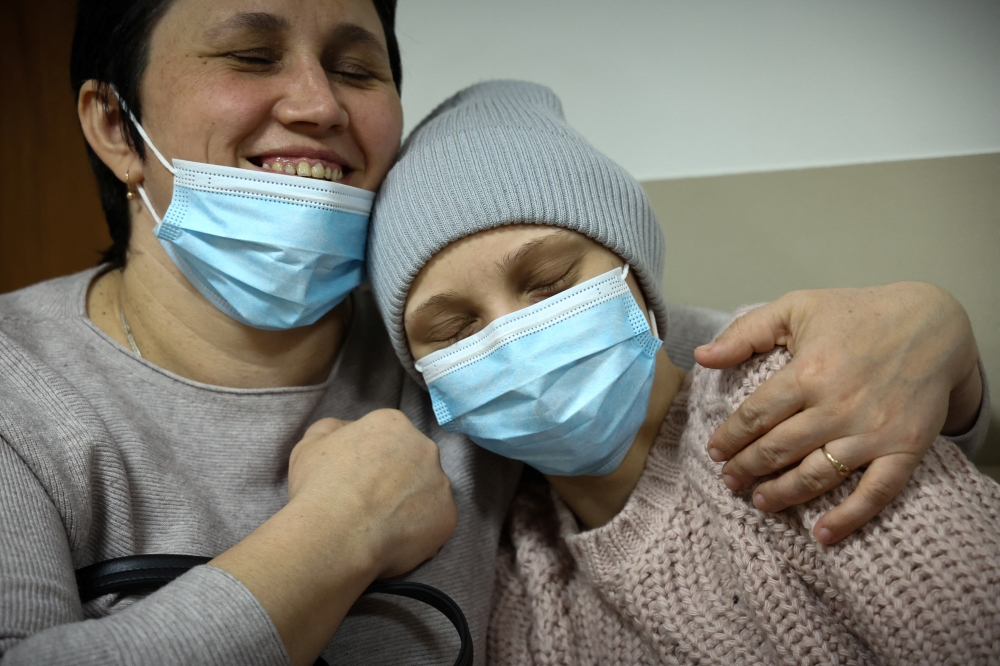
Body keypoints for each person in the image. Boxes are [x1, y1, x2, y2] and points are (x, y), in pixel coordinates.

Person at [0, 1, 988, 664]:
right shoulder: (21, 392)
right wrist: (332, 536)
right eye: (250, 54)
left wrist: (936, 337)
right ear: (116, 127)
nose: (314, 102)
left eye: (356, 65)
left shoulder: (426, 356)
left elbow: (711, 371)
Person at [367, 79, 1000, 665]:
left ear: (636, 278)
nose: (514, 343)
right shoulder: (516, 575)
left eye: (550, 283)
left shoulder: (797, 412)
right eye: (456, 331)